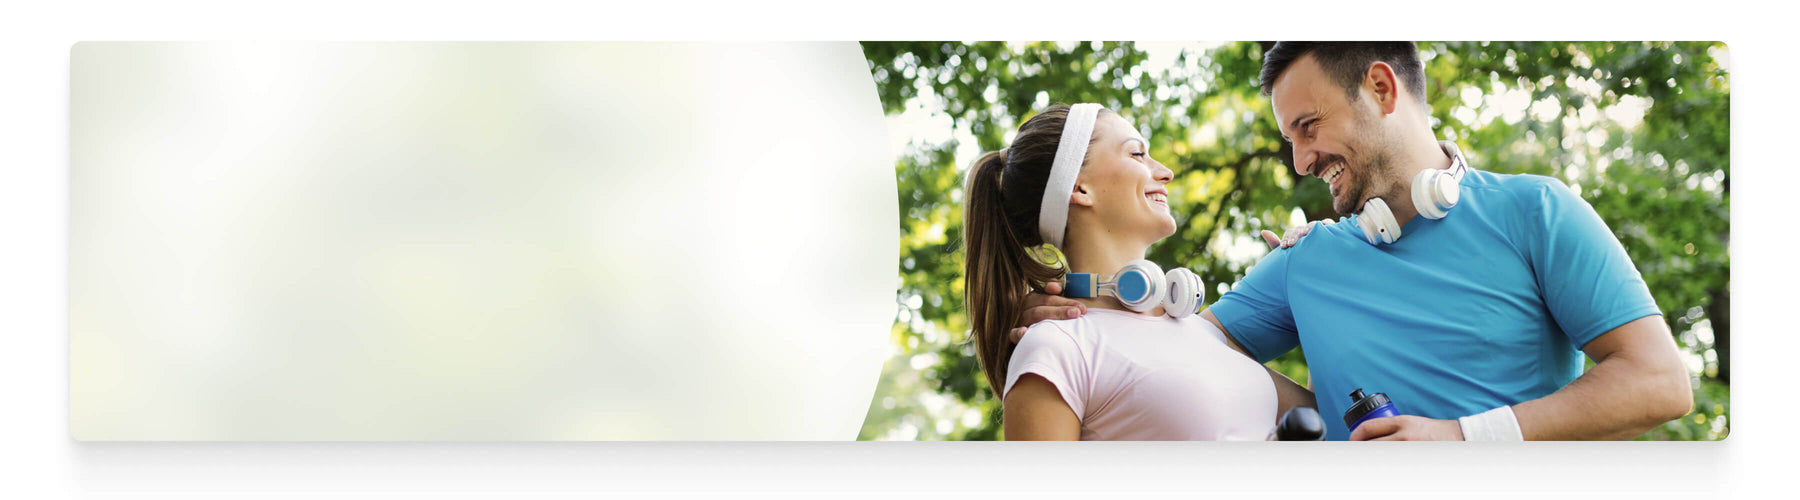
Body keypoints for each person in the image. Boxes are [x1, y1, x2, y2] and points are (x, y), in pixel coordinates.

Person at [1013, 42, 1692, 441]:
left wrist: (1459, 439)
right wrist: (1084, 305)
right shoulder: (1307, 260)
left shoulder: (1538, 209)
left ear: (1381, 87)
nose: (1301, 161)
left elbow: (1660, 382)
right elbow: (1181, 351)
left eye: (1309, 127)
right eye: (1290, 140)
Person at [963, 103, 1314, 440]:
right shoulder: (1055, 346)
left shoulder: (1201, 333)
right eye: (1136, 154)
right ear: (1077, 188)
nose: (1165, 171)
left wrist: (1319, 276)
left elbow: (1328, 418)